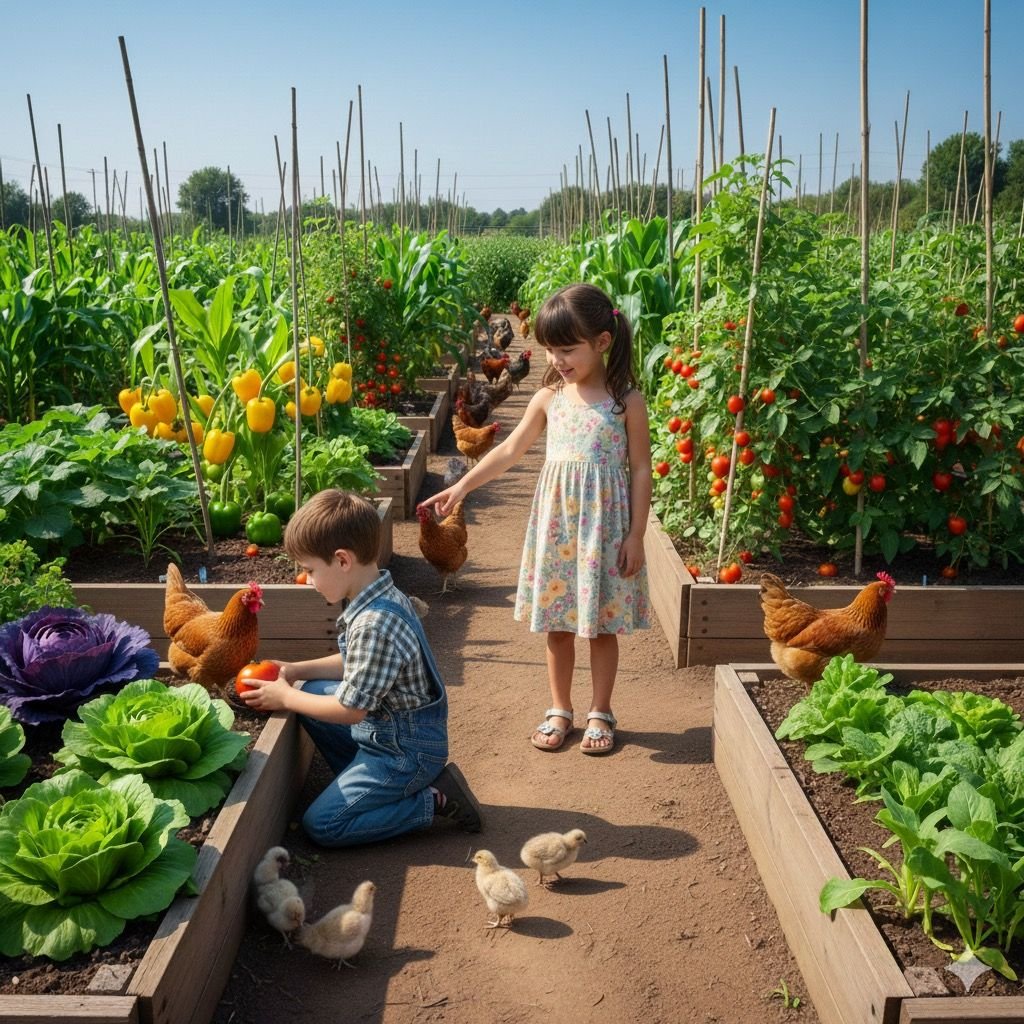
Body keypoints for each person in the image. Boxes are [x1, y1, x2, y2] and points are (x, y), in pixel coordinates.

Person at [420, 282, 651, 755]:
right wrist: (462, 485)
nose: (556, 360)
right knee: (558, 624)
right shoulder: (549, 398)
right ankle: (560, 708)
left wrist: (636, 535)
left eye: (567, 349)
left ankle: (600, 711)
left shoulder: (626, 400)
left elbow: (642, 469)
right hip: (558, 530)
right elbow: (508, 450)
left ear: (602, 343)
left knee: (603, 626)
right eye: (549, 350)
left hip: (604, 532)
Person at [236, 489, 482, 846]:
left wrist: (286, 697)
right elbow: (356, 663)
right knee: (312, 692)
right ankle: (366, 785)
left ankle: (433, 799)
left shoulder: (374, 623)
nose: (306, 580)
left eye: (309, 570)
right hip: (389, 732)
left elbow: (350, 710)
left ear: (341, 560)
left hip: (405, 752)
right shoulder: (379, 595)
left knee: (322, 824)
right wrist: (296, 670)